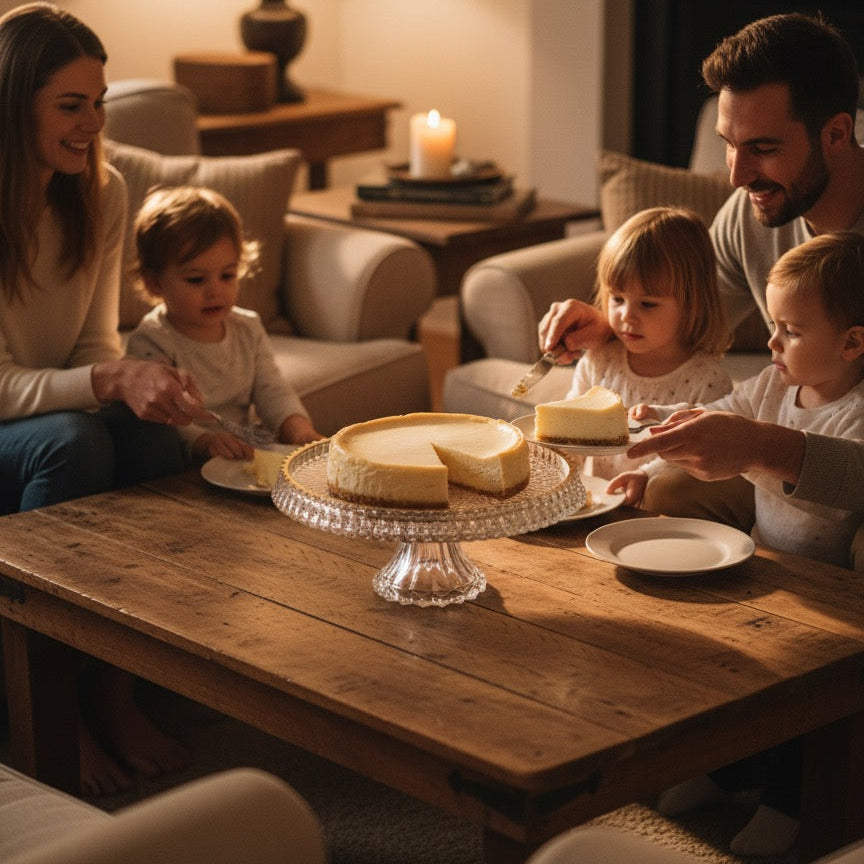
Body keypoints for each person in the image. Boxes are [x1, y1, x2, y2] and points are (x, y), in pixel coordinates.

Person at [538, 12, 864, 531]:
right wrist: (611, 323)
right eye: (729, 144)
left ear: (836, 133)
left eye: (762, 148)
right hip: (784, 460)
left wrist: (758, 443)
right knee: (667, 488)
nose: (736, 174)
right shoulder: (750, 216)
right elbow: (686, 308)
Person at [0, 3, 203, 797]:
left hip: (44, 416)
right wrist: (108, 383)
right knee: (74, 444)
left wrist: (135, 386)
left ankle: (113, 693)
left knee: (150, 440)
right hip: (28, 429)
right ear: (17, 105)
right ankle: (43, 713)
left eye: (100, 102)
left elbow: (93, 346)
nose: (93, 123)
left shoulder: (102, 191)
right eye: (72, 105)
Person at [126, 185, 322, 460]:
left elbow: (272, 390)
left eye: (227, 275)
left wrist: (298, 429)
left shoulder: (248, 328)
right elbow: (162, 420)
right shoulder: (152, 340)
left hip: (242, 455)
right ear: (154, 282)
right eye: (196, 279)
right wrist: (205, 442)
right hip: (180, 461)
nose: (215, 291)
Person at [563, 206, 731, 488]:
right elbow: (568, 434)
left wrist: (647, 479)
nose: (626, 316)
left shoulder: (709, 381)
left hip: (660, 516)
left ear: (692, 304)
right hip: (594, 505)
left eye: (648, 304)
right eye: (617, 299)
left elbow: (694, 466)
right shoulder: (599, 360)